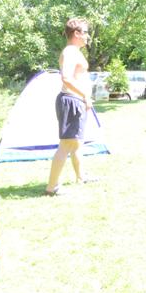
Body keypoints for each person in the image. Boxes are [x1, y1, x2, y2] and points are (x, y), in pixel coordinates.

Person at [46, 18, 96, 196]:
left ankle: (81, 177)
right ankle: (52, 187)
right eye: (85, 32)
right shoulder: (69, 52)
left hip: (76, 101)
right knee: (67, 145)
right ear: (76, 33)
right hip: (71, 100)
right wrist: (84, 96)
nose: (88, 36)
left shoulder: (75, 52)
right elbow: (66, 78)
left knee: (77, 143)